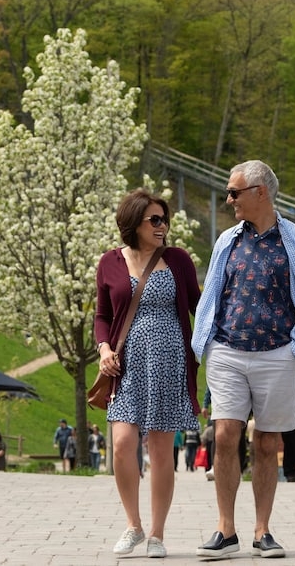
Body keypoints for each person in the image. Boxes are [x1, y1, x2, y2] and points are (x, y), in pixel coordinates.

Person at [191, 160, 295, 559]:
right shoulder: (227, 241)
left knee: (267, 442)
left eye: (235, 192)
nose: (229, 199)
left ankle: (262, 530)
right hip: (229, 351)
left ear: (260, 192)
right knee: (225, 434)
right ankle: (225, 530)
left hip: (277, 353)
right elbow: (213, 292)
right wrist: (207, 343)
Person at [94, 188, 202, 559]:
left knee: (160, 450)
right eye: (154, 219)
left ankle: (157, 533)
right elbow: (102, 316)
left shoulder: (177, 260)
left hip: (168, 361)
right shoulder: (109, 262)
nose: (162, 225)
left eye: (164, 219)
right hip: (126, 364)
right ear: (133, 223)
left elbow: (198, 308)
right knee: (123, 443)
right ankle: (133, 525)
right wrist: (104, 348)